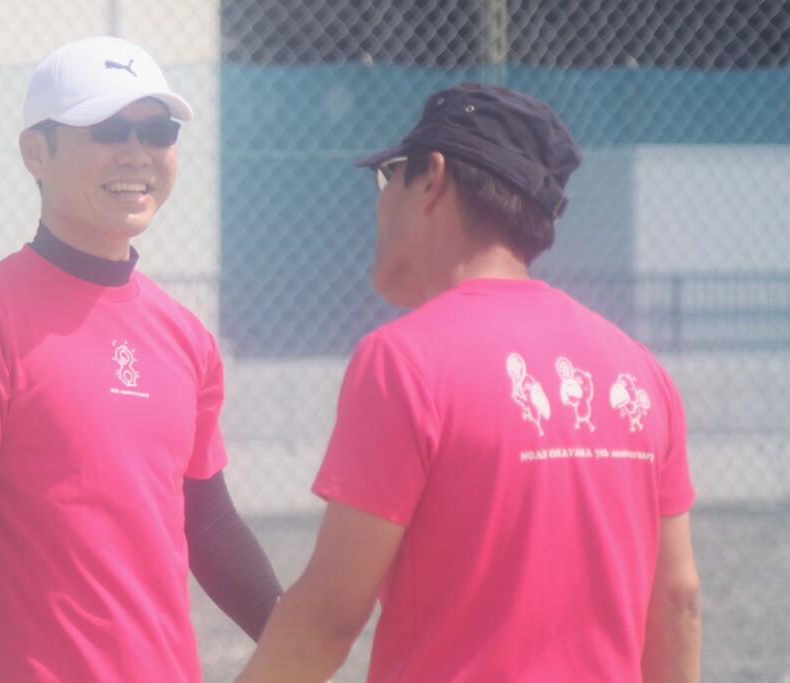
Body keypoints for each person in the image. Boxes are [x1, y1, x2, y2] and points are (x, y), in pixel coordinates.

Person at [236, 83, 701, 682]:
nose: (380, 204)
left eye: (389, 176)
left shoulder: (404, 362)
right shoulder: (639, 369)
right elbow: (678, 601)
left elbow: (329, 616)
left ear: (432, 177)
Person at [0, 36, 282, 683]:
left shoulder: (186, 335)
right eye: (107, 129)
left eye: (157, 131)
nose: (137, 152)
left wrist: (306, 646)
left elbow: (209, 522)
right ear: (36, 152)